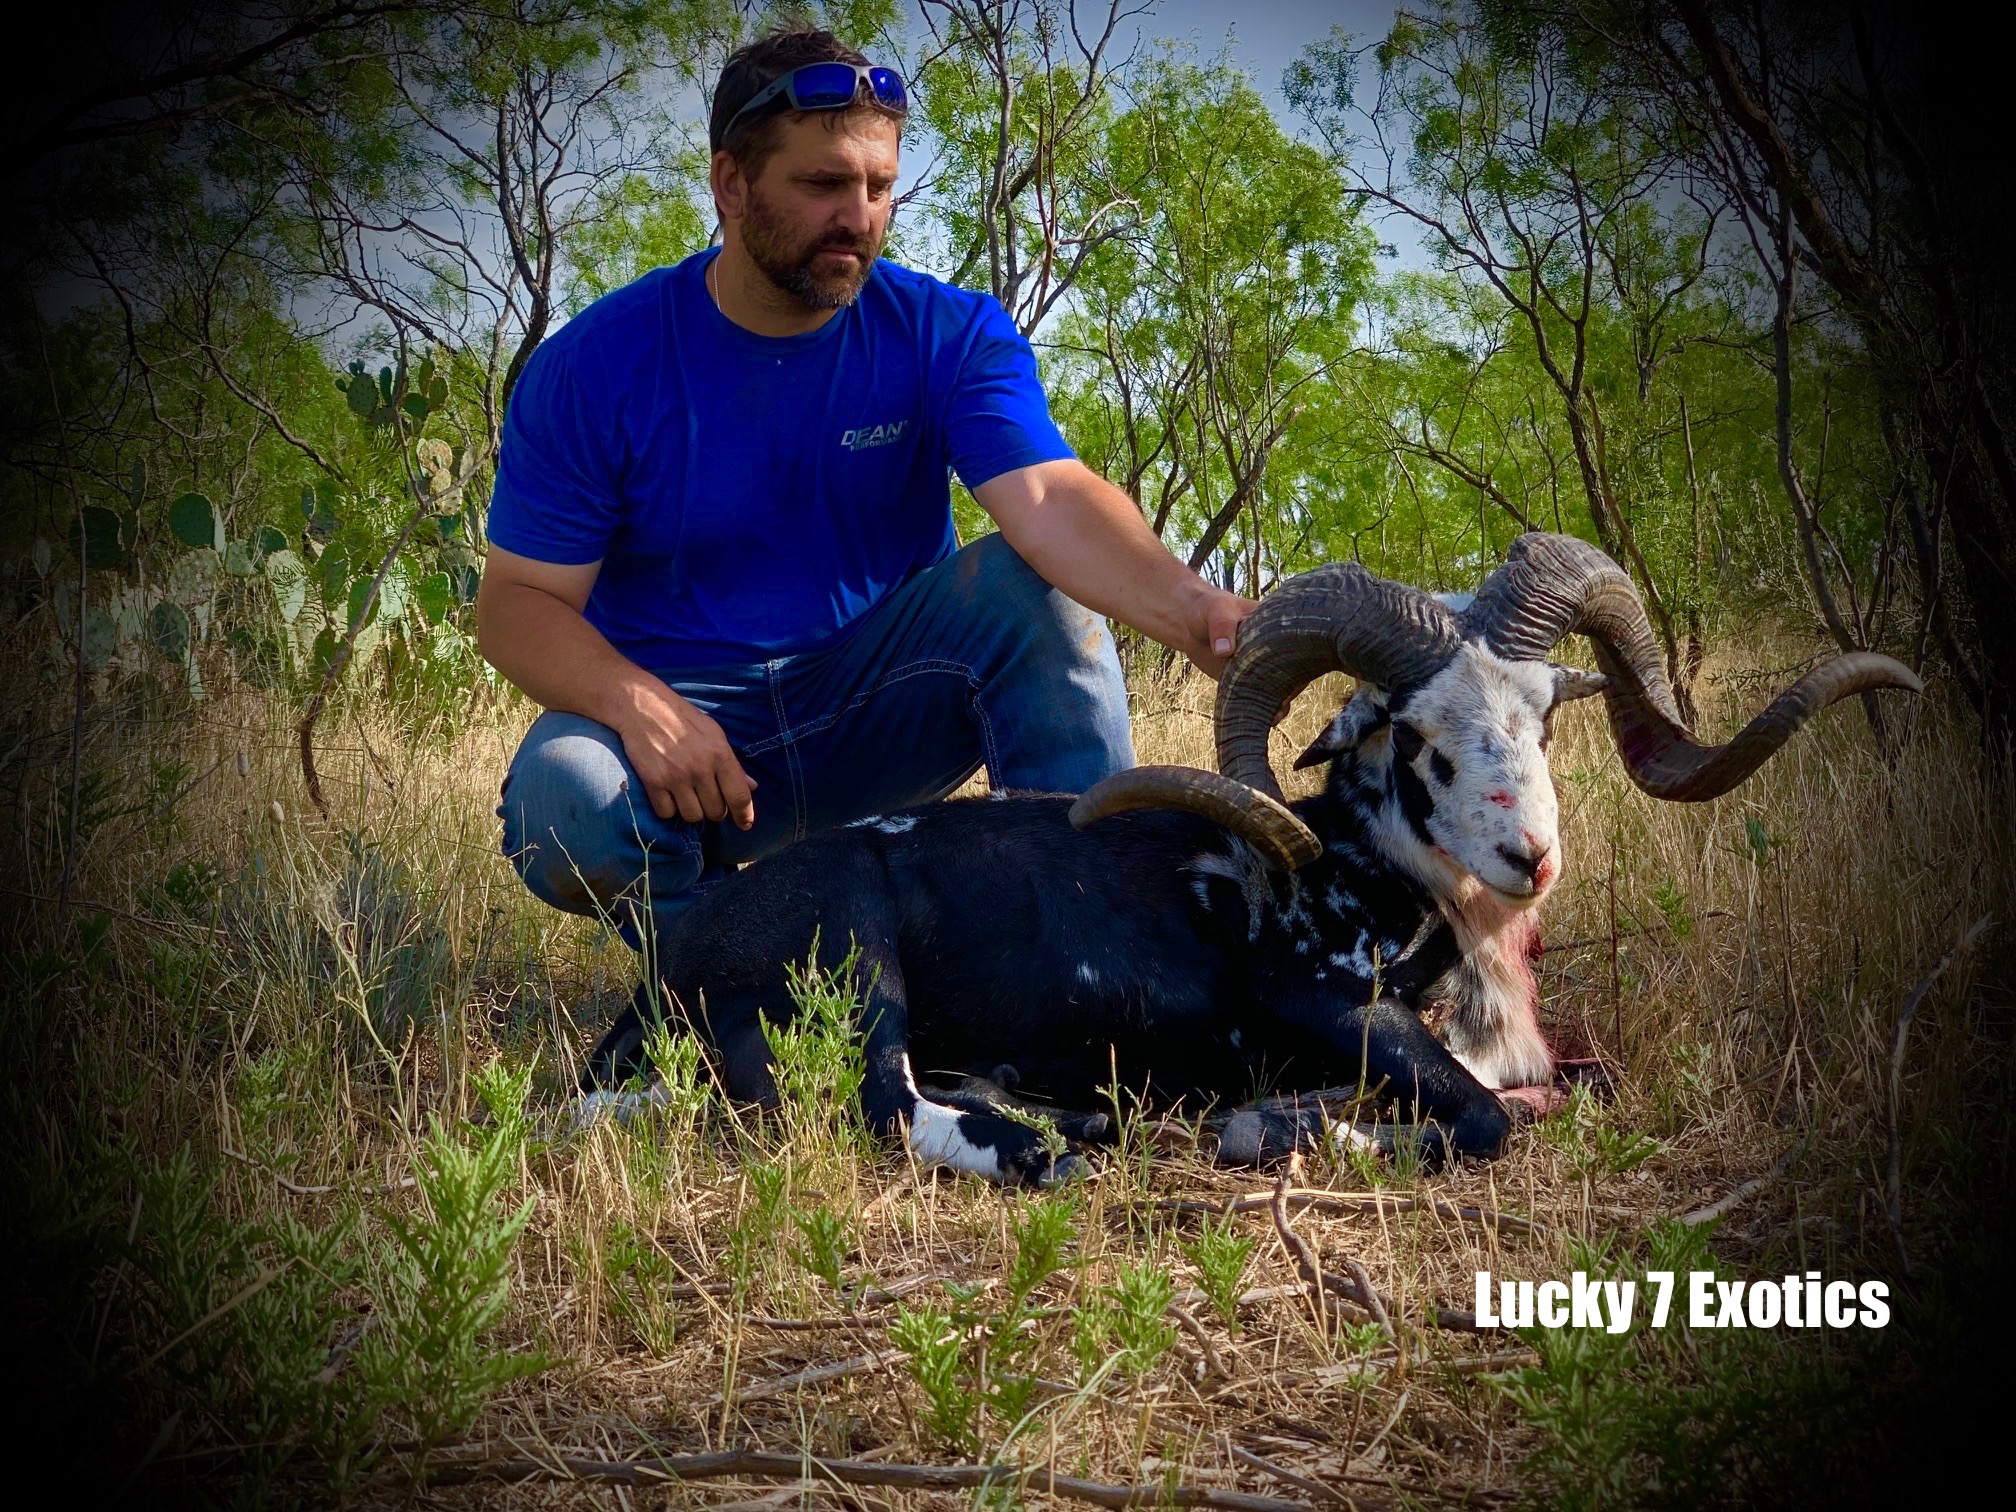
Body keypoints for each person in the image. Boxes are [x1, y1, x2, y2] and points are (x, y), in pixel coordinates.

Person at [477, 28, 1254, 1084]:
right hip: (694, 751)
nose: (860, 217)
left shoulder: (946, 334)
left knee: (1037, 597)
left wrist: (1200, 610)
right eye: (824, 183)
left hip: (876, 707)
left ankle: (1088, 968)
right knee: (562, 787)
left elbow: (1047, 498)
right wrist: (639, 708)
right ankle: (731, 995)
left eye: (881, 185)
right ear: (730, 183)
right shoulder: (596, 366)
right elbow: (517, 605)